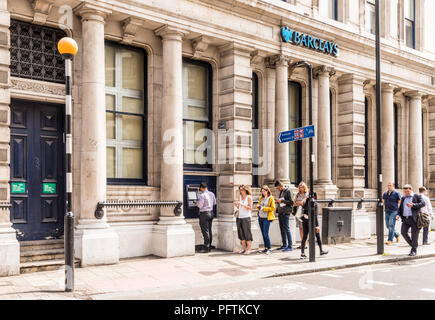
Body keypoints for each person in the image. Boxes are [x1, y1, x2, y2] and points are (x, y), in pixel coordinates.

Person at [398, 184, 426, 256]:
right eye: (405, 191)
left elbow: (423, 203)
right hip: (405, 219)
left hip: (414, 219)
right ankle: (413, 245)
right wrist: (398, 214)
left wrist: (413, 205)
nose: (406, 193)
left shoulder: (417, 196)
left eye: (408, 191)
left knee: (414, 235)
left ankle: (413, 250)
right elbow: (400, 207)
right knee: (403, 232)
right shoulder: (403, 198)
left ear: (411, 189)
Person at [300, 191, 328, 259]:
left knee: (304, 237)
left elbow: (303, 213)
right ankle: (321, 250)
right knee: (317, 236)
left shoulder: (305, 203)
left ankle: (302, 253)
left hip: (305, 221)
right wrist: (317, 225)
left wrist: (305, 216)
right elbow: (315, 216)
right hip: (312, 222)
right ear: (315, 196)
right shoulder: (314, 203)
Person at [194, 182, 216, 253]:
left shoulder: (202, 195)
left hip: (204, 214)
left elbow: (200, 206)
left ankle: (206, 247)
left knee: (205, 231)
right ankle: (209, 245)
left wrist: (196, 203)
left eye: (200, 188)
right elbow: (214, 203)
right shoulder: (212, 194)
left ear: (201, 188)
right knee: (209, 229)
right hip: (211, 213)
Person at [275, 180, 294, 252]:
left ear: (281, 186)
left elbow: (292, 202)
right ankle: (284, 245)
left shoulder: (288, 191)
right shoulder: (281, 192)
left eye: (278, 188)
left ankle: (290, 246)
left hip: (286, 212)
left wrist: (282, 201)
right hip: (281, 212)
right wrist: (278, 201)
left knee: (287, 229)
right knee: (282, 229)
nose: (277, 189)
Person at [234, 185, 253, 255]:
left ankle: (249, 249)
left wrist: (242, 205)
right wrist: (237, 205)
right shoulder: (240, 197)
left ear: (245, 190)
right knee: (241, 233)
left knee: (247, 233)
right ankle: (243, 249)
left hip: (246, 217)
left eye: (242, 189)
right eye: (240, 190)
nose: (241, 191)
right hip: (239, 217)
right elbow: (240, 207)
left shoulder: (249, 197)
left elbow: (250, 208)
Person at [256, 185, 276, 255]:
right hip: (260, 217)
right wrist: (258, 207)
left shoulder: (271, 198)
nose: (263, 192)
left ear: (267, 191)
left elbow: (273, 208)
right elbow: (258, 205)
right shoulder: (261, 198)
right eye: (262, 191)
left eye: (264, 191)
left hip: (267, 218)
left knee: (265, 233)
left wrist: (264, 208)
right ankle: (266, 247)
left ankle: (269, 248)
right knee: (263, 233)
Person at [294, 182, 309, 249]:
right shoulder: (297, 194)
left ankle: (305, 244)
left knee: (305, 229)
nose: (301, 188)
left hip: (304, 213)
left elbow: (302, 203)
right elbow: (294, 203)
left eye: (302, 187)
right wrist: (299, 203)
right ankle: (302, 243)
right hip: (298, 213)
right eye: (300, 187)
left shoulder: (306, 194)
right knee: (300, 228)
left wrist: (299, 203)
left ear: (304, 187)